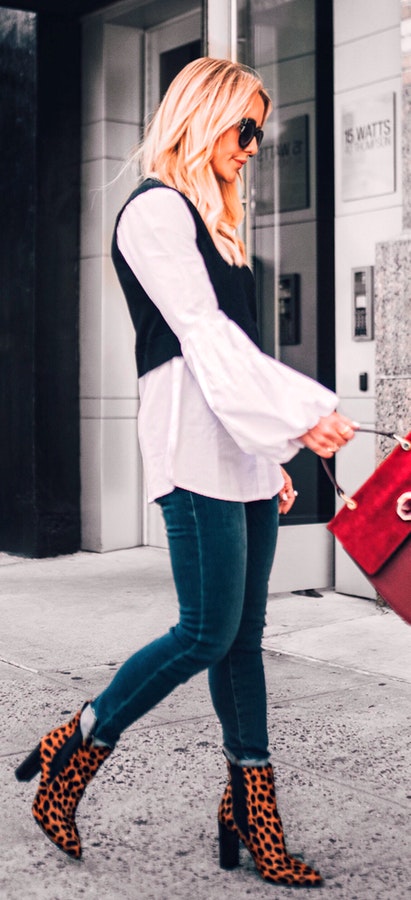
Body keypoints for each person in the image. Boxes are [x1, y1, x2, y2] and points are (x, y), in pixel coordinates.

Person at [15, 57, 356, 887]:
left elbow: (236, 357)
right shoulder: (154, 213)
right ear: (202, 116)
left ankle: (249, 806)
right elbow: (202, 342)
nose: (252, 148)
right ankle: (79, 742)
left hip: (235, 449)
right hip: (190, 443)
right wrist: (304, 416)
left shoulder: (226, 229)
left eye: (260, 135)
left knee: (242, 639)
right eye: (244, 129)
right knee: (204, 631)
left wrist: (269, 453)